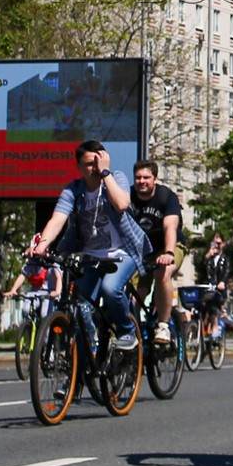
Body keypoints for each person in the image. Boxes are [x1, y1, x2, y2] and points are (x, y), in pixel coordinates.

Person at [28, 139, 148, 351]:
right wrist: (40, 246)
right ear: (79, 167)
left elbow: (122, 204)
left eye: (98, 162)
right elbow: (57, 220)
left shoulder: (115, 177)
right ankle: (83, 368)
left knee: (110, 289)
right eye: (89, 164)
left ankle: (126, 331)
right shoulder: (74, 190)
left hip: (123, 253)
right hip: (91, 257)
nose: (95, 168)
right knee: (80, 308)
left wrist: (106, 173)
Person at [129, 160, 183, 343]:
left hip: (169, 246)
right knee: (135, 294)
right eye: (138, 177)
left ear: (155, 179)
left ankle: (163, 325)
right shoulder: (127, 197)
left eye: (146, 177)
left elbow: (170, 227)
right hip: (141, 251)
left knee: (163, 273)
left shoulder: (166, 197)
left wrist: (168, 253)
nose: (142, 181)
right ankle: (132, 334)